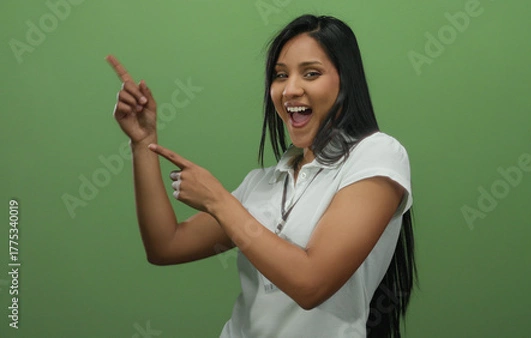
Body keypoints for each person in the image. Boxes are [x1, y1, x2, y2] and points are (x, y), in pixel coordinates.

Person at [107, 14, 416, 338]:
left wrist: (218, 201)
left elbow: (312, 283)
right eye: (280, 75)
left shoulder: (377, 155)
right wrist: (142, 142)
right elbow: (165, 246)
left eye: (311, 73)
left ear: (346, 81)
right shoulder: (263, 183)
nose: (290, 90)